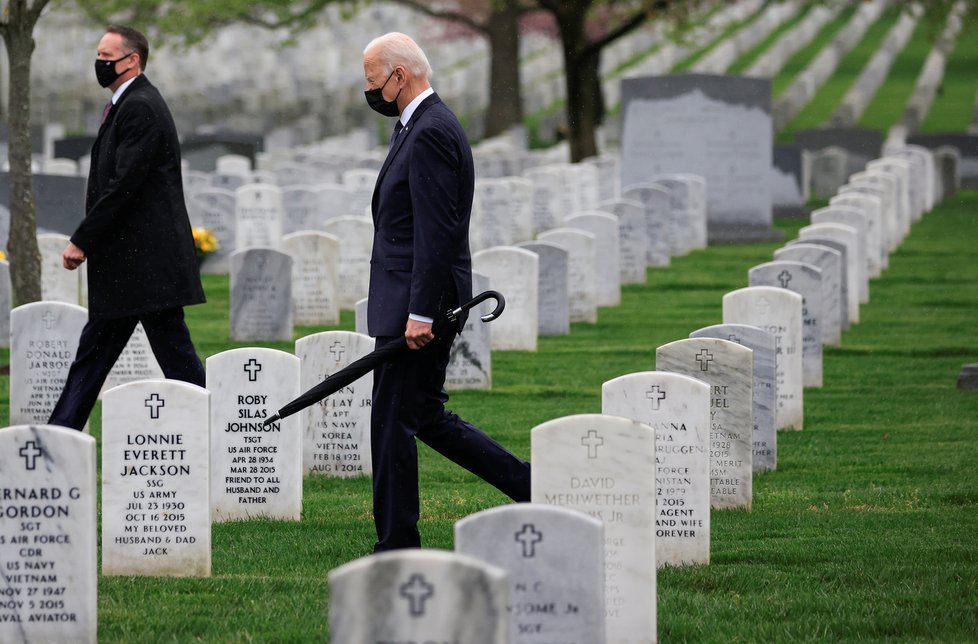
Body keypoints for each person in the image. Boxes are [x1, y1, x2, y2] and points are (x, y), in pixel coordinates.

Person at [363, 32, 531, 551]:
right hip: (414, 299)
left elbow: (437, 233)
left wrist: (420, 312)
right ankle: (532, 486)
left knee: (394, 424)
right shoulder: (414, 125)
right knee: (424, 417)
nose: (367, 91)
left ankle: (396, 543)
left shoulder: (431, 130)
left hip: (419, 305)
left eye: (372, 81)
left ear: (399, 76)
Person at [48, 25, 206, 431]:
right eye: (98, 56)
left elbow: (124, 184)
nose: (99, 63)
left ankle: (59, 434)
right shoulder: (128, 103)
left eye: (107, 56)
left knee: (172, 361)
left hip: (142, 267)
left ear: (132, 59)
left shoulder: (140, 106)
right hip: (133, 267)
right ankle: (59, 434)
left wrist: (83, 239)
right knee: (103, 354)